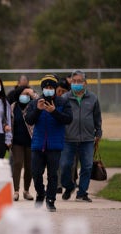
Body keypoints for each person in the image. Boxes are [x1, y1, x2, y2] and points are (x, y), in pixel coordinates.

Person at [25, 75, 72, 212]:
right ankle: (40, 194)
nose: (49, 90)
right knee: (36, 173)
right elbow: (29, 120)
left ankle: (50, 200)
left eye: (51, 87)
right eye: (46, 87)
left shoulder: (62, 102)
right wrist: (38, 110)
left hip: (54, 145)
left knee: (52, 175)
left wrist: (54, 112)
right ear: (42, 89)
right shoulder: (35, 103)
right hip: (38, 145)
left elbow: (68, 119)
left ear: (55, 88)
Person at [60, 70, 103, 202]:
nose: (76, 84)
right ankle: (69, 186)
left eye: (79, 81)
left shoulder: (93, 98)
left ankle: (82, 193)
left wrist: (98, 132)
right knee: (65, 165)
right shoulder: (65, 98)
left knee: (87, 166)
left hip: (88, 139)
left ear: (85, 83)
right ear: (71, 82)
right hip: (68, 138)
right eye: (74, 82)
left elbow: (97, 118)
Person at [9, 86, 37, 201]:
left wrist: (32, 93)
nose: (25, 96)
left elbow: (42, 101)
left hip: (31, 140)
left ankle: (26, 190)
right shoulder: (13, 106)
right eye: (23, 93)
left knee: (29, 166)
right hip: (16, 141)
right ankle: (16, 191)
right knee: (17, 163)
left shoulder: (33, 105)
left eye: (27, 94)